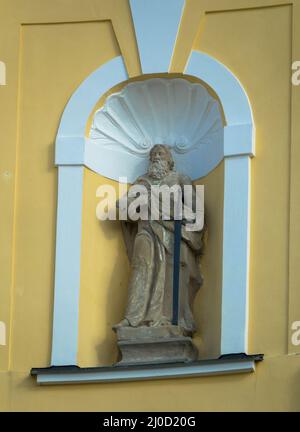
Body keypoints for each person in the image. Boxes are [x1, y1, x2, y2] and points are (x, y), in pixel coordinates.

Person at [113, 144, 205, 335]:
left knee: (171, 274)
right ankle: (133, 319)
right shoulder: (142, 183)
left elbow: (196, 212)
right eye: (153, 154)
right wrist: (136, 204)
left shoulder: (179, 179)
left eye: (160, 153)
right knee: (141, 268)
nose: (156, 157)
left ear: (170, 160)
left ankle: (172, 319)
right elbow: (124, 209)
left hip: (172, 234)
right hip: (146, 231)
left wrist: (168, 212)